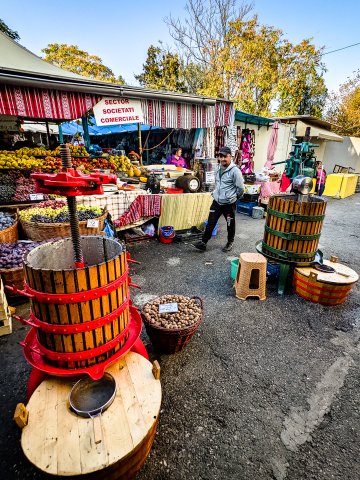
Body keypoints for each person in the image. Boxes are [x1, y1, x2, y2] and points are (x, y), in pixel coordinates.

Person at [194, 146, 244, 252]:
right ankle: (203, 243)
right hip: (217, 201)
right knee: (211, 222)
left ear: (230, 156)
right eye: (220, 156)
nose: (222, 159)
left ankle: (230, 242)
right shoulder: (217, 168)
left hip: (229, 204)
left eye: (224, 156)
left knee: (230, 224)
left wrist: (233, 198)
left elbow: (240, 188)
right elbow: (217, 183)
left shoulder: (235, 171)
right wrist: (215, 193)